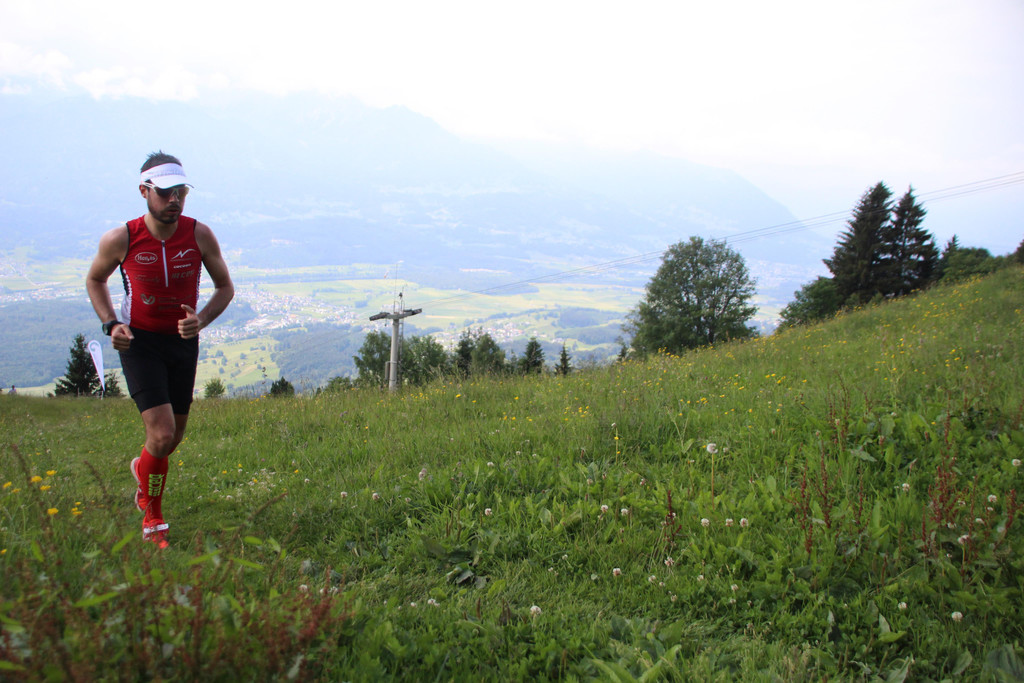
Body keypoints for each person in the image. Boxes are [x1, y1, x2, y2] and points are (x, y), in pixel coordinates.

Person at [86, 151, 234, 549]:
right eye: (166, 192)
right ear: (144, 191)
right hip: (140, 342)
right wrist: (112, 324)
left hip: (183, 341)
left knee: (173, 437)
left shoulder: (199, 235)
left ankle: (143, 467)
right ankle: (152, 517)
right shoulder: (122, 238)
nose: (174, 200)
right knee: (162, 431)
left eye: (181, 192)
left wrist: (201, 320)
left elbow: (225, 287)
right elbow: (95, 280)